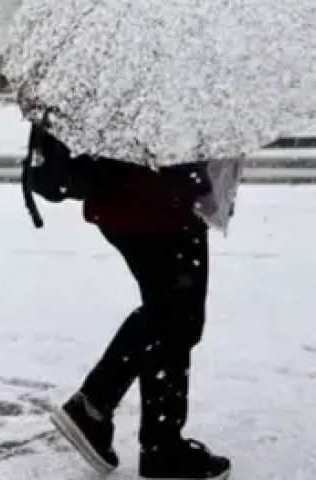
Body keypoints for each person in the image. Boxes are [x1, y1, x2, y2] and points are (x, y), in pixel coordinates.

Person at [50, 158, 232, 480]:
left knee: (169, 314)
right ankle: (152, 441)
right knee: (176, 317)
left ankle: (104, 413)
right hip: (157, 204)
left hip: (133, 200)